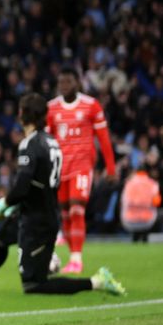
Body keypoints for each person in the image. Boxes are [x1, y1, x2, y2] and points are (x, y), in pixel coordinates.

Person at [0, 93, 125, 296]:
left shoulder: (30, 144)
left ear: (23, 115)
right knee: (0, 234)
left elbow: (23, 184)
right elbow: (39, 182)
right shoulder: (51, 141)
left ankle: (96, 281)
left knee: (33, 285)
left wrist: (3, 204)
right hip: (35, 211)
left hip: (37, 221)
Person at [47, 68, 116, 272]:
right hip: (60, 167)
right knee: (66, 213)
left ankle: (77, 259)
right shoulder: (51, 108)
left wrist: (111, 167)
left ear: (77, 83)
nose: (64, 86)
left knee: (77, 209)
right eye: (61, 82)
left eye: (68, 82)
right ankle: (73, 257)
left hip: (82, 166)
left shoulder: (91, 105)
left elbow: (103, 138)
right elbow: (46, 140)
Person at [120, 169, 161, 242]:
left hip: (131, 215)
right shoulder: (152, 184)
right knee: (145, 235)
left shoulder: (129, 183)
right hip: (147, 215)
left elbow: (124, 200)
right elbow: (156, 201)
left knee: (135, 235)